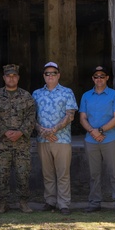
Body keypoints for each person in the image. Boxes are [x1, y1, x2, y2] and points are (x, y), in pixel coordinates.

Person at [79, 65, 115, 215]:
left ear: (107, 78)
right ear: (93, 79)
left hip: (110, 139)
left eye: (102, 76)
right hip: (91, 140)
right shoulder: (86, 96)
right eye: (96, 76)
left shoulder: (114, 95)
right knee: (94, 174)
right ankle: (94, 202)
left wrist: (100, 130)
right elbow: (82, 118)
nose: (99, 79)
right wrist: (93, 132)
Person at [33, 61, 79, 214]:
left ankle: (64, 204)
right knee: (47, 173)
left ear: (58, 75)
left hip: (62, 140)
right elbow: (30, 117)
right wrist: (43, 131)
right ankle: (50, 201)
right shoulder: (36, 94)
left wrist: (53, 130)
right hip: (43, 140)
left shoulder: (67, 92)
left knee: (63, 173)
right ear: (43, 76)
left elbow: (70, 115)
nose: (50, 76)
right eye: (47, 73)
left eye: (53, 73)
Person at [0, 64, 36, 214]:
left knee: (23, 173)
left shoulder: (26, 96)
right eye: (8, 76)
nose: (11, 78)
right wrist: (4, 131)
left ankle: (23, 202)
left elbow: (31, 116)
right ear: (4, 78)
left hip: (21, 142)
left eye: (14, 75)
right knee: (1, 173)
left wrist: (21, 132)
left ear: (18, 78)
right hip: (3, 142)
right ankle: (2, 203)